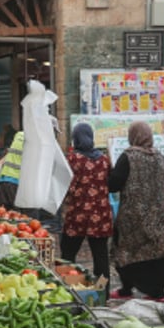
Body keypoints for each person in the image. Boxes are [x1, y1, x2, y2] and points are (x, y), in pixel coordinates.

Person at [109, 121, 164, 300]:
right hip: (157, 215)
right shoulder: (160, 157)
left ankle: (126, 289)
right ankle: (157, 292)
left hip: (132, 216)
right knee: (158, 250)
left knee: (126, 251)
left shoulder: (128, 157)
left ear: (132, 136)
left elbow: (114, 184)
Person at [61, 123, 112, 288]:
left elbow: (65, 185)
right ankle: (101, 292)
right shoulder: (104, 160)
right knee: (101, 256)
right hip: (101, 215)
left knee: (68, 253)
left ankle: (72, 287)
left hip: (77, 215)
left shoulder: (72, 159)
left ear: (75, 138)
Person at [0, 130, 24, 209]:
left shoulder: (19, 135)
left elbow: (10, 153)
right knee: (24, 216)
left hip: (5, 180)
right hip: (17, 183)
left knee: (6, 214)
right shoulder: (34, 141)